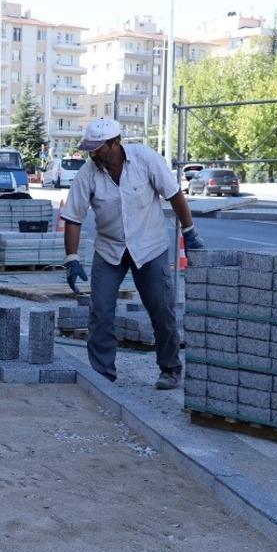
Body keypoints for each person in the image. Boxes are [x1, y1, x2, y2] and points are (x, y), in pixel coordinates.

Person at [60, 117, 205, 390]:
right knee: (100, 310)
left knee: (161, 309)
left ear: (115, 143)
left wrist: (190, 232)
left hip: (149, 246)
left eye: (98, 148)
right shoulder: (88, 172)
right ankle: (103, 374)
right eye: (90, 148)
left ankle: (170, 369)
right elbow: (73, 217)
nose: (93, 154)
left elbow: (174, 195)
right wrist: (72, 258)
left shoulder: (145, 159)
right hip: (109, 248)